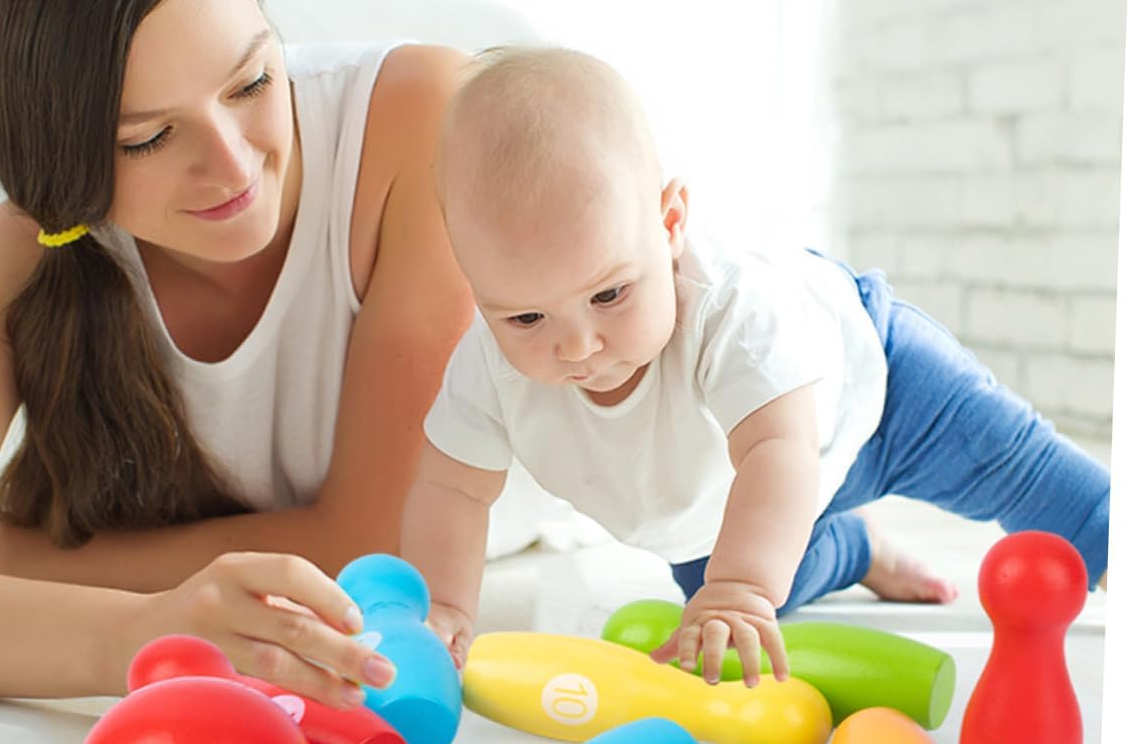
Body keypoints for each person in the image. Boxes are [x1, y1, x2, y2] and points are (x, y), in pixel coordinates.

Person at [0, 0, 476, 704]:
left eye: (251, 83)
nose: (233, 165)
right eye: (149, 137)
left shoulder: (420, 122)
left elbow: (387, 546)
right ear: (54, 153)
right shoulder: (16, 261)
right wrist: (141, 635)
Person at [400, 45, 1111, 686]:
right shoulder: (487, 366)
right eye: (526, 318)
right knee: (722, 610)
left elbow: (778, 446)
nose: (578, 346)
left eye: (609, 294)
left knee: (1039, 482)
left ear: (670, 223)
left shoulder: (731, 309)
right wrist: (445, 604)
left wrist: (740, 586)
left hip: (877, 392)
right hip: (733, 498)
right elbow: (452, 488)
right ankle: (854, 550)